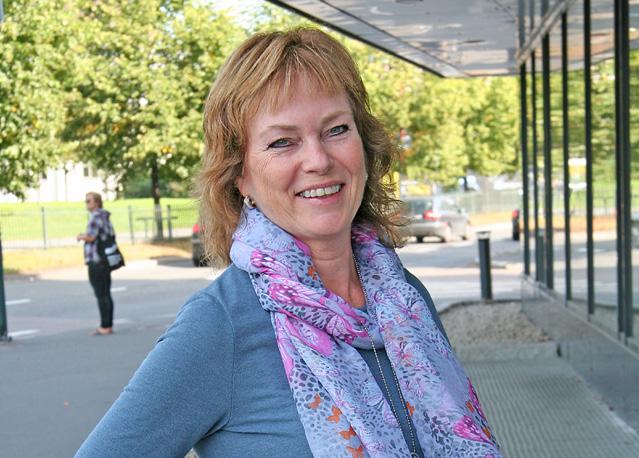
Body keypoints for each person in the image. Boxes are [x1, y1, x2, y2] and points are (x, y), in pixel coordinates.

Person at [76, 29, 501, 457]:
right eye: (282, 142)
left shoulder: (403, 296)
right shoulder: (221, 323)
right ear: (240, 175)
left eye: (336, 129)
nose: (318, 160)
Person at [77, 191, 116, 336]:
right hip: (105, 260)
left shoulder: (96, 217)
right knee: (106, 292)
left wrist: (81, 236)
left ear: (97, 202)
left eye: (89, 201)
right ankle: (108, 324)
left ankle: (105, 326)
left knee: (101, 294)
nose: (86, 203)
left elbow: (91, 237)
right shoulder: (105, 216)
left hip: (97, 260)